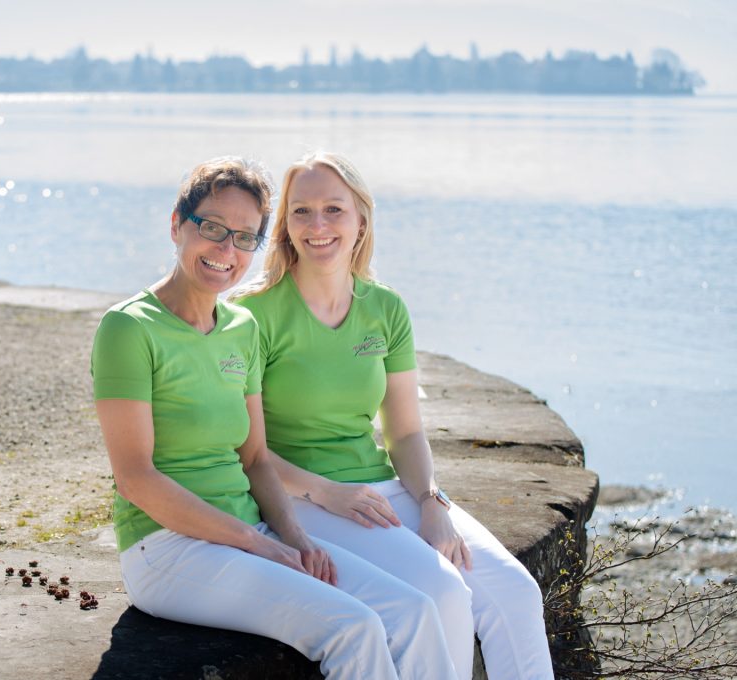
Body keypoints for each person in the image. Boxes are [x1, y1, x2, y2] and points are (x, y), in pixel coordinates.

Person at [91, 156, 457, 680]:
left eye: (245, 237)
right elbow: (136, 479)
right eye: (212, 228)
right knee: (353, 627)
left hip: (252, 529)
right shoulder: (129, 329)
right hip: (167, 548)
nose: (226, 250)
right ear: (177, 225)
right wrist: (260, 544)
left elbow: (256, 456)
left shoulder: (241, 326)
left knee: (415, 609)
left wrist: (295, 536)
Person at [233, 151, 556, 680]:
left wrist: (432, 503)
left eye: (334, 209)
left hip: (385, 490)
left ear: (361, 219)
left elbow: (404, 431)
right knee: (444, 593)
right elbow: (249, 452)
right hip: (302, 498)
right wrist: (327, 492)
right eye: (302, 211)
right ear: (285, 227)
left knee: (516, 594)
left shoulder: (386, 308)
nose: (318, 226)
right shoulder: (251, 314)